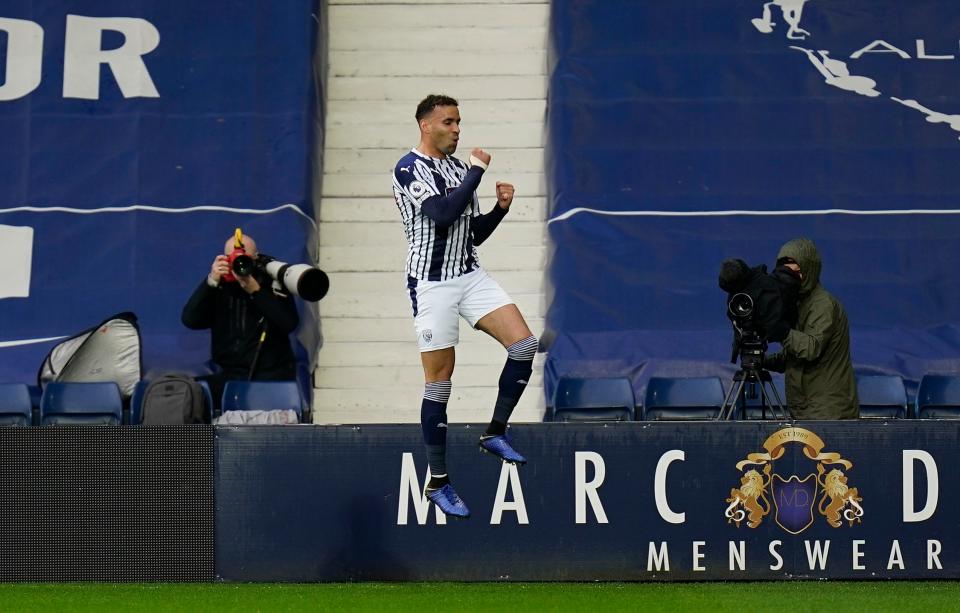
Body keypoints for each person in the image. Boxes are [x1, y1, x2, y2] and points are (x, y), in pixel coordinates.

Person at [391, 94, 538, 518]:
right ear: (426, 126)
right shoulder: (409, 168)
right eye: (449, 122)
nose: (457, 129)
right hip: (432, 283)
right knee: (439, 382)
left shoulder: (456, 168)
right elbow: (440, 213)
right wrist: (477, 171)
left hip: (469, 273)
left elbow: (467, 233)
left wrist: (500, 210)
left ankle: (495, 432)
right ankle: (437, 480)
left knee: (524, 345)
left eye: (459, 122)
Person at [181, 232, 299, 418]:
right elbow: (190, 320)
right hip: (228, 375)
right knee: (187, 394)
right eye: (233, 259)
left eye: (245, 259)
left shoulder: (273, 285)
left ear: (256, 258)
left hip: (270, 377)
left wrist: (256, 292)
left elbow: (289, 323)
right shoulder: (219, 289)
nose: (240, 265)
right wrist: (211, 281)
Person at [764, 238, 859, 419]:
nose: (791, 279)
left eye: (797, 272)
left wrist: (782, 331)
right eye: (786, 272)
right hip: (808, 407)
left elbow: (810, 349)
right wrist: (762, 361)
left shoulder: (822, 304)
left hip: (828, 410)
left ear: (810, 270)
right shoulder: (798, 304)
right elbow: (792, 357)